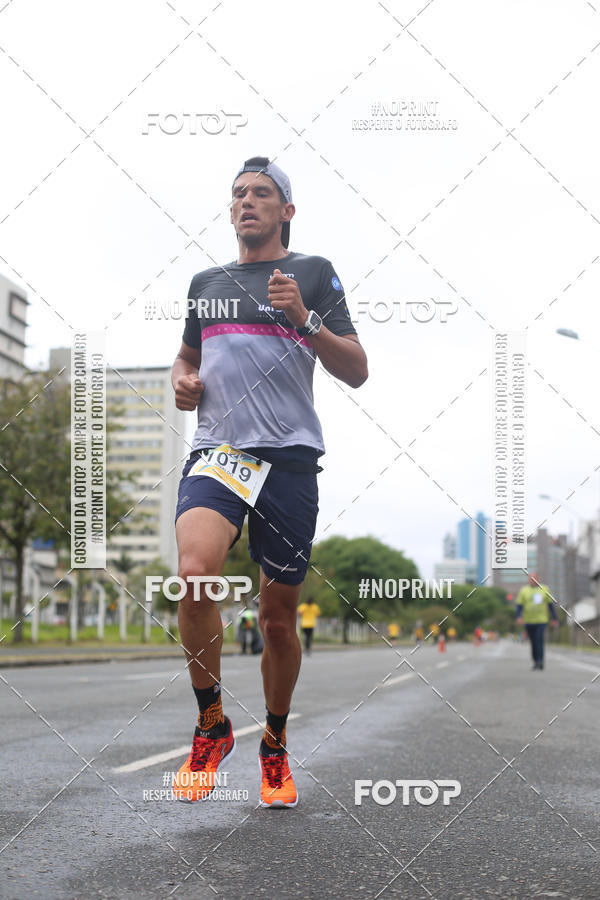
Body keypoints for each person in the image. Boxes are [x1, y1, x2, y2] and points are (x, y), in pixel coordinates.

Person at [170, 157, 368, 806]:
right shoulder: (207, 283)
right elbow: (188, 357)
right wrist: (182, 381)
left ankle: (275, 742)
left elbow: (358, 370)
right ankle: (211, 723)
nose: (247, 202)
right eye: (238, 195)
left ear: (286, 211)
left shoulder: (311, 273)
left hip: (288, 459)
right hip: (220, 452)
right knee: (196, 573)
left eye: (261, 194)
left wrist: (306, 318)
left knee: (278, 621)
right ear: (231, 213)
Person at [515, 572, 558, 670]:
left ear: (538, 579)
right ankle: (535, 661)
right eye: (530, 578)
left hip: (541, 620)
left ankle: (540, 661)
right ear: (528, 580)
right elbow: (519, 606)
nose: (532, 580)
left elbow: (550, 605)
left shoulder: (545, 589)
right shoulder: (524, 591)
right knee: (533, 642)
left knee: (539, 640)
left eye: (534, 578)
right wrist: (518, 617)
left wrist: (555, 618)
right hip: (528, 621)